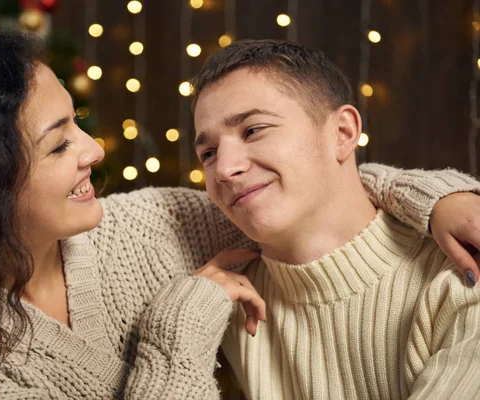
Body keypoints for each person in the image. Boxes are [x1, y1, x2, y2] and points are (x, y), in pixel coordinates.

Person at [0, 31, 478, 400]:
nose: (93, 150)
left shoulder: (158, 225)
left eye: (78, 125)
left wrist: (438, 198)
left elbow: (315, 193)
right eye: (60, 143)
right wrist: (182, 326)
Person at [190, 39, 480, 399]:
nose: (224, 170)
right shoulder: (220, 300)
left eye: (253, 130)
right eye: (208, 153)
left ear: (342, 134)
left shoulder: (460, 275)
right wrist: (185, 317)